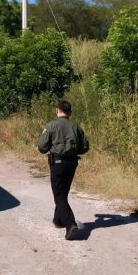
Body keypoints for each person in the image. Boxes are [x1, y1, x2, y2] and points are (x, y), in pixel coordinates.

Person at [37, 99, 90, 240]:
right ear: (70, 113)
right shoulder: (76, 127)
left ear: (57, 110)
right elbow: (85, 147)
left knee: (59, 195)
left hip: (57, 163)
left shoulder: (51, 126)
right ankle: (59, 220)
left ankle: (70, 224)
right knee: (63, 192)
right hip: (72, 163)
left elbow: (42, 147)